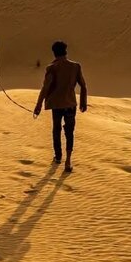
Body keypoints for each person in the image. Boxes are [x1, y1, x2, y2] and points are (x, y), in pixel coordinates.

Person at [33, 40, 88, 172]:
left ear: (54, 53)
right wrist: (83, 103)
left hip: (56, 105)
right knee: (69, 132)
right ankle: (68, 160)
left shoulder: (51, 68)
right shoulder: (76, 66)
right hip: (70, 104)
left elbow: (45, 88)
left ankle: (58, 157)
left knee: (56, 130)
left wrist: (38, 105)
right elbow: (83, 86)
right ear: (65, 51)